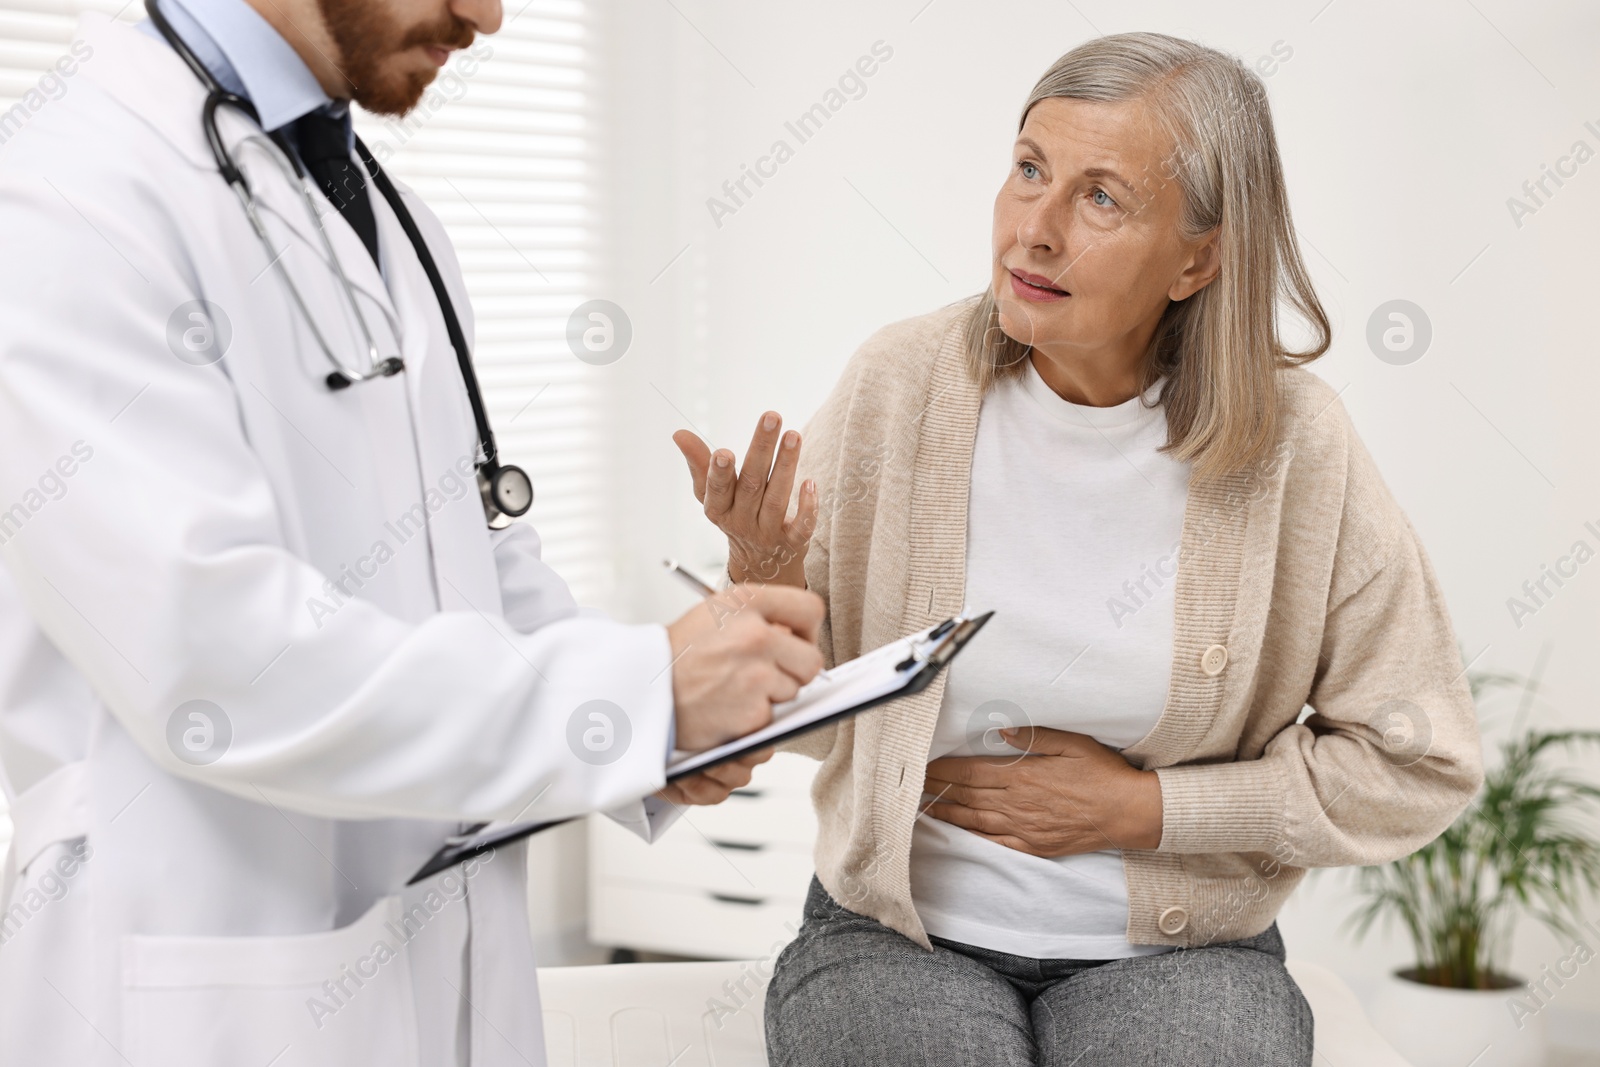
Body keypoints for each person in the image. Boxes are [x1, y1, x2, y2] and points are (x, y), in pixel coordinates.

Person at [0, 0, 822, 1062]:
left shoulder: (380, 215)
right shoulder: (62, 194)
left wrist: (655, 736)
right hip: (202, 978)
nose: (485, 16)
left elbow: (474, 565)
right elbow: (210, 657)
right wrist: (638, 690)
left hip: (433, 956)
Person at [675, 32, 1484, 1066]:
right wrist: (765, 580)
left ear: (1199, 257)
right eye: (1028, 170)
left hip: (1184, 958)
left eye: (1100, 197)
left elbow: (1420, 760)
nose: (1034, 231)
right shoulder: (899, 385)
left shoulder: (1295, 446)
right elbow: (787, 721)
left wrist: (1150, 807)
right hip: (895, 940)